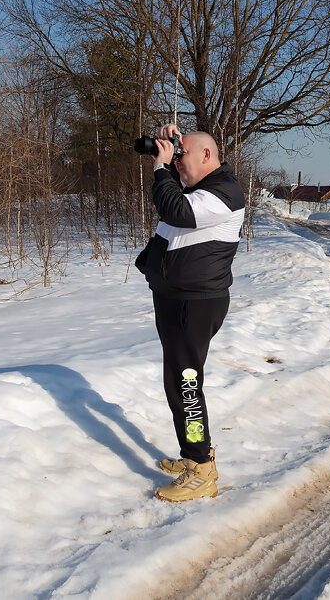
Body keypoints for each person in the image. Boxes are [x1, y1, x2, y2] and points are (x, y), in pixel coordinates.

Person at [135, 124, 245, 502]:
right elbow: (181, 207)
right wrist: (173, 147)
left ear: (207, 157)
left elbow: (175, 208)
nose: (177, 161)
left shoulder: (225, 194)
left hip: (194, 304)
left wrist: (161, 168)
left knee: (186, 385)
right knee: (179, 382)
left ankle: (200, 466)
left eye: (183, 155)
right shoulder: (205, 190)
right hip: (176, 299)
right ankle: (193, 453)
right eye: (175, 154)